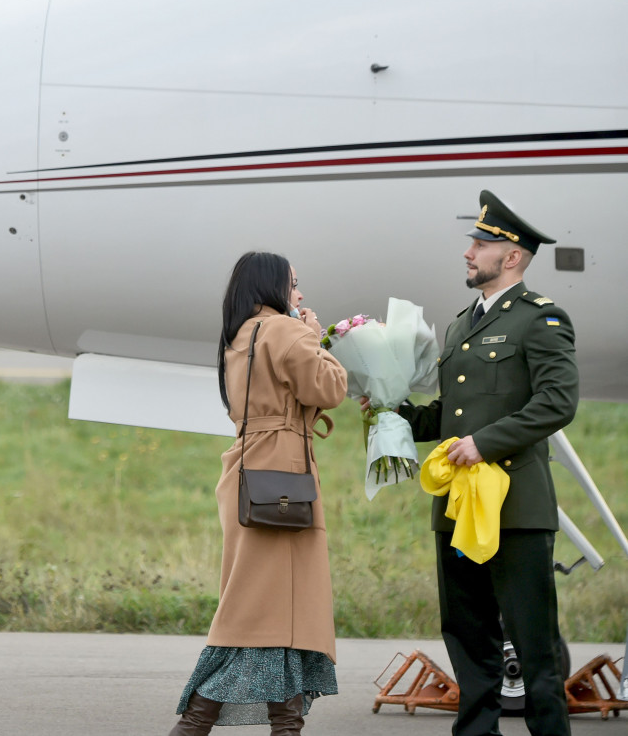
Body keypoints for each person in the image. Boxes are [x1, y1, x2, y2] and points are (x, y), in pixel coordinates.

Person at [390, 190, 578, 736]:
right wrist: (392, 415)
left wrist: (486, 443)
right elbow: (451, 414)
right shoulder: (460, 325)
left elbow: (557, 403)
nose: (468, 252)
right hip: (456, 508)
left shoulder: (541, 320)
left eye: (480, 243)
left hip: (515, 509)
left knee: (536, 651)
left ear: (511, 256)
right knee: (468, 640)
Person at [170, 251, 346, 736]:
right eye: (294, 284)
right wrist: (313, 336)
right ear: (272, 287)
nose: (300, 295)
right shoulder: (285, 331)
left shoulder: (241, 335)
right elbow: (329, 388)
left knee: (273, 607)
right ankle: (197, 722)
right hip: (283, 476)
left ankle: (284, 726)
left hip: (248, 471)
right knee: (261, 608)